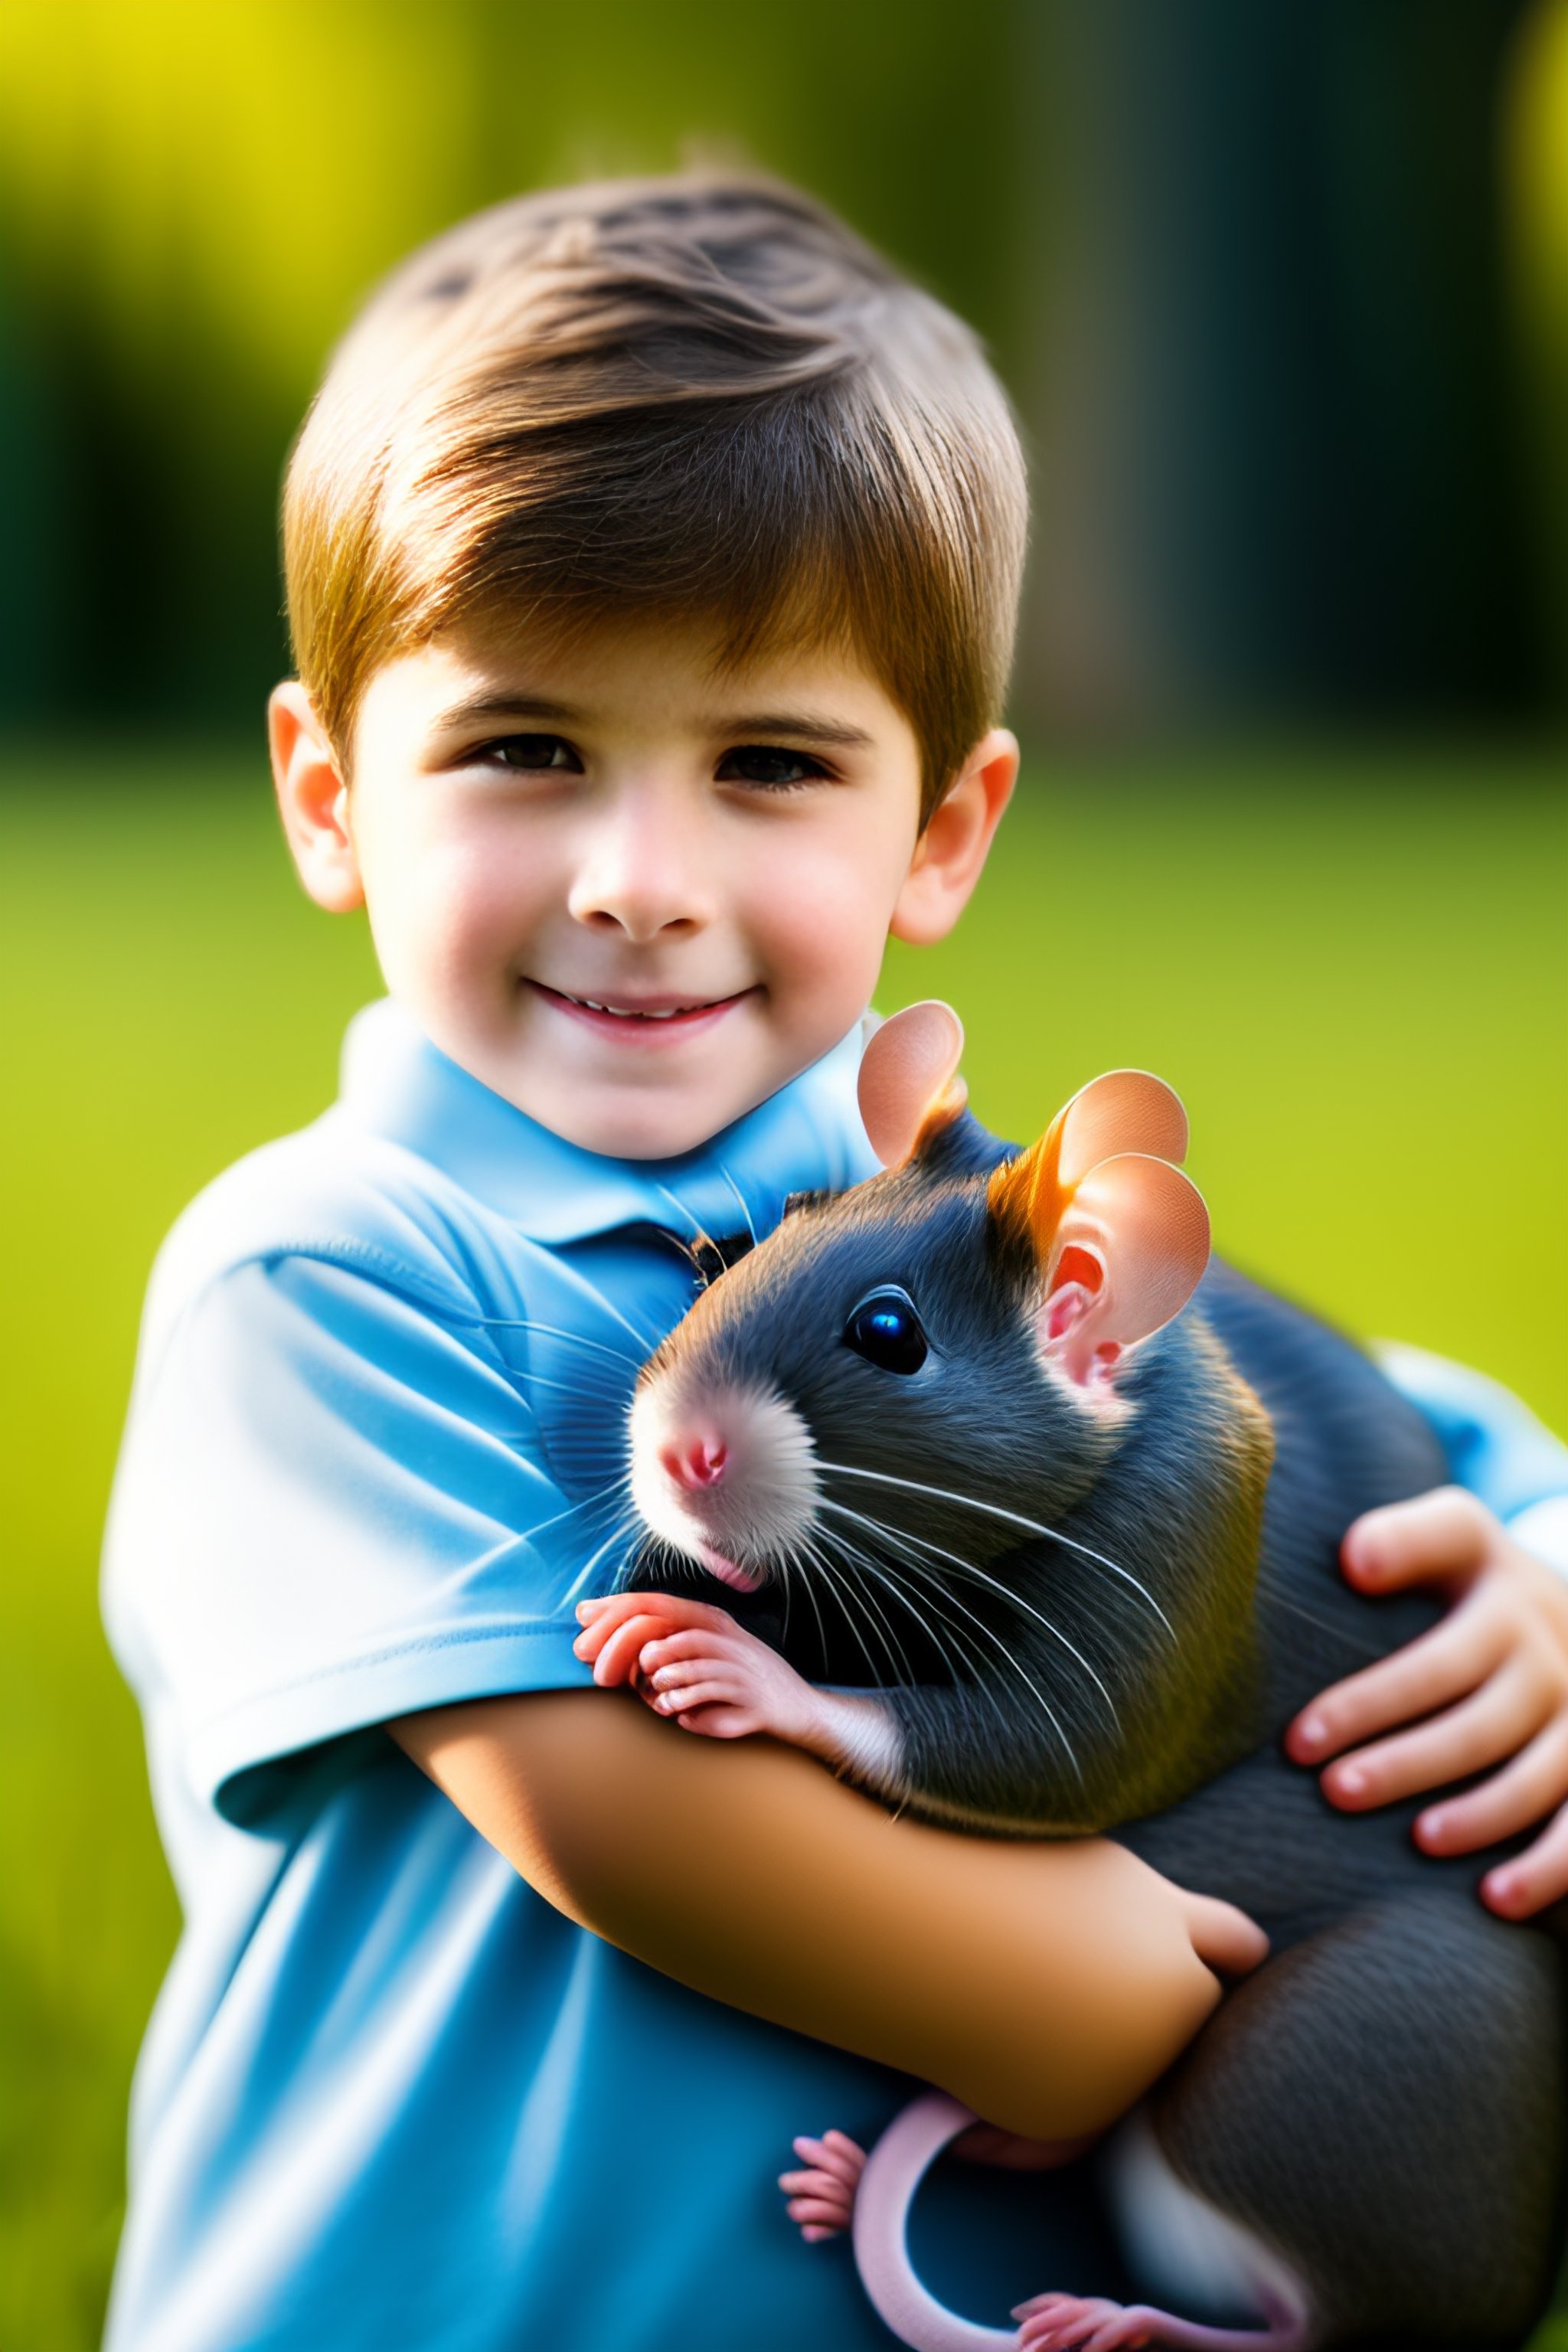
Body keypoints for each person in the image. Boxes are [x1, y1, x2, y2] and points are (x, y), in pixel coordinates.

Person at [102, 175, 1568, 2352]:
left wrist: (1538, 1565)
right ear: (329, 793)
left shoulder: (935, 1229)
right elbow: (651, 1836)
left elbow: (1376, 1424)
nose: (639, 880)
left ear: (944, 830)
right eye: (525, 747)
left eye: (771, 762)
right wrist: (1117, 1954)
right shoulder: (322, 1280)